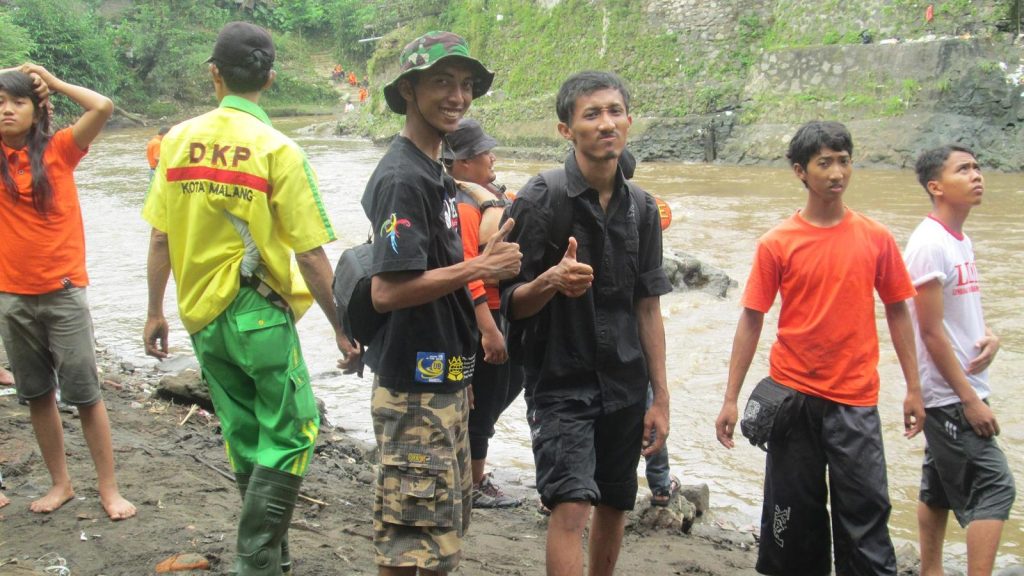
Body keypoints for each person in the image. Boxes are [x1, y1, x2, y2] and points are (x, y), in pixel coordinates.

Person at [142, 22, 355, 575]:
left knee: (245, 433)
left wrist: (154, 310)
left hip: (199, 315)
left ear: (214, 73)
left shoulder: (176, 141)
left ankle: (273, 560)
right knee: (296, 429)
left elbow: (161, 234)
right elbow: (310, 255)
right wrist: (341, 325)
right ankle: (254, 560)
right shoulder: (277, 149)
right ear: (271, 78)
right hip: (257, 311)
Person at [714, 120, 925, 576]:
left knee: (867, 519)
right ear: (800, 172)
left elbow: (898, 311)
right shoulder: (778, 243)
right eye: (824, 163)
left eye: (844, 161)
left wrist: (914, 387)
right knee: (793, 525)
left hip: (856, 401)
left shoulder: (876, 238)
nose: (836, 173)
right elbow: (752, 317)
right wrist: (731, 398)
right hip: (794, 403)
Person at [500, 71, 672, 576]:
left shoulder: (642, 209)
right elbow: (511, 302)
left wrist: (660, 398)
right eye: (591, 114)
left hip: (625, 383)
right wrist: (551, 281)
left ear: (629, 122)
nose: (606, 124)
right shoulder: (540, 200)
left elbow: (648, 307)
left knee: (616, 503)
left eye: (615, 112)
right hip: (560, 383)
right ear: (565, 130)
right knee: (570, 504)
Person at [364, 31, 521, 576]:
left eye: (465, 85)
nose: (457, 96)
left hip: (443, 380)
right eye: (441, 83)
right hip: (413, 392)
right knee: (412, 542)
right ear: (408, 89)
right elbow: (387, 291)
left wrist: (464, 370)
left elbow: (442, 285)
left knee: (441, 535)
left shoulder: (435, 170)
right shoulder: (404, 177)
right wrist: (481, 267)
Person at [0, 66, 136, 521]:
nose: (6, 109)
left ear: (37, 109)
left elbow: (102, 106)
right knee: (37, 393)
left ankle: (108, 488)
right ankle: (61, 483)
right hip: (13, 296)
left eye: (17, 101)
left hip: (63, 293)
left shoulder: (61, 150)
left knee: (86, 394)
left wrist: (53, 83)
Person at [904, 145, 1015, 576]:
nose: (977, 175)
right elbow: (929, 331)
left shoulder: (959, 240)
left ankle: (931, 570)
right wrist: (970, 400)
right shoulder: (929, 244)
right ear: (936, 186)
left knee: (938, 487)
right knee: (996, 487)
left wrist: (991, 338)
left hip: (954, 391)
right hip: (950, 395)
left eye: (977, 166)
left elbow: (955, 319)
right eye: (964, 169)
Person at [443, 118, 523, 509]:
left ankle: (467, 468)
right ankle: (474, 480)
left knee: (489, 392)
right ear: (461, 163)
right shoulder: (465, 205)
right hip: (480, 320)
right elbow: (469, 270)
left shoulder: (475, 197)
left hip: (481, 319)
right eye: (482, 153)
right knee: (483, 397)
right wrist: (490, 329)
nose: (492, 156)